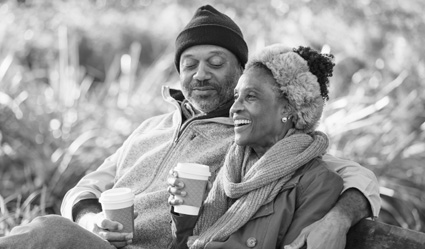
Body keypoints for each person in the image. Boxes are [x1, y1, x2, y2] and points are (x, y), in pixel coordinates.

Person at [0, 5, 380, 249]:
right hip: (95, 242)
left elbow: (350, 174)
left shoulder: (248, 136)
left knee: (48, 233)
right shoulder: (150, 128)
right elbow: (88, 186)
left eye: (216, 62)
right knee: (57, 229)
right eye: (190, 64)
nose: (201, 74)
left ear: (240, 72)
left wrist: (340, 217)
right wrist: (90, 218)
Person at [169, 44, 345, 249]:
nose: (234, 108)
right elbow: (182, 245)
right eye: (236, 97)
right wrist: (185, 214)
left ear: (287, 108)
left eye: (250, 97)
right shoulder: (232, 167)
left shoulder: (317, 183)